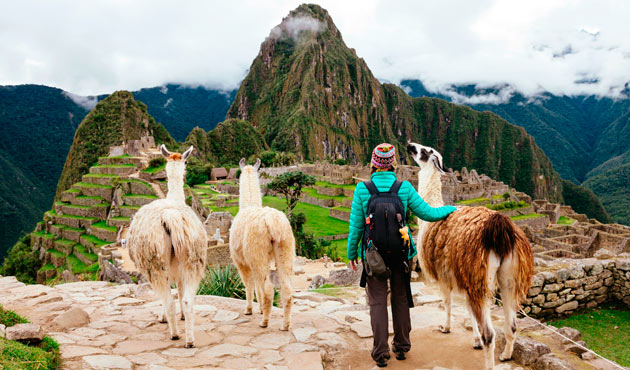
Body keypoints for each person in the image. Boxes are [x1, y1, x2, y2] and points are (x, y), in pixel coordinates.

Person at [347, 143, 456, 368]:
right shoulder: (404, 188)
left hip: (373, 255)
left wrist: (351, 253)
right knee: (400, 298)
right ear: (393, 163)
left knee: (377, 302)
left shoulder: (362, 189)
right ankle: (402, 346)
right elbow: (429, 213)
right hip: (401, 254)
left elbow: (356, 227)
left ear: (373, 163)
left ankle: (380, 353)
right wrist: (452, 210)